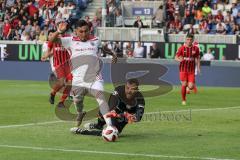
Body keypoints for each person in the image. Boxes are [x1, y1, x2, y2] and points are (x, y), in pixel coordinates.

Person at [49, 20, 117, 130]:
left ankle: (110, 126)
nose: (84, 34)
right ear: (76, 31)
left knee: (101, 98)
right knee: (78, 102)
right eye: (81, 31)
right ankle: (80, 113)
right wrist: (58, 31)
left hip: (94, 77)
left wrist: (112, 54)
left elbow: (103, 47)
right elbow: (52, 40)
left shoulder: (95, 40)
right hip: (78, 80)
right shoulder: (69, 41)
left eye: (86, 31)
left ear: (89, 30)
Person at [72, 78, 145, 136]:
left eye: (133, 89)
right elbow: (112, 102)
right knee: (103, 108)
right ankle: (98, 125)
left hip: (123, 119)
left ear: (137, 90)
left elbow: (138, 117)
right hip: (115, 111)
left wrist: (128, 116)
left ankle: (83, 132)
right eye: (127, 88)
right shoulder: (119, 89)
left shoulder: (140, 100)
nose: (129, 91)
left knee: (111, 132)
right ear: (125, 87)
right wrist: (112, 111)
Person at [41, 28, 72, 108]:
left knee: (70, 84)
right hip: (58, 64)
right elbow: (48, 51)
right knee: (62, 82)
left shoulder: (68, 39)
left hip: (68, 64)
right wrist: (46, 55)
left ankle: (61, 102)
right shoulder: (52, 41)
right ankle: (53, 93)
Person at [175, 34, 200, 105]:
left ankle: (187, 87)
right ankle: (183, 100)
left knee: (191, 87)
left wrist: (198, 67)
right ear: (185, 40)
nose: (189, 41)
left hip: (191, 70)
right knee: (184, 84)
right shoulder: (181, 48)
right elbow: (176, 57)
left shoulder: (196, 49)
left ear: (193, 40)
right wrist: (179, 60)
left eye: (190, 40)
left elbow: (197, 58)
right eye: (188, 39)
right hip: (183, 69)